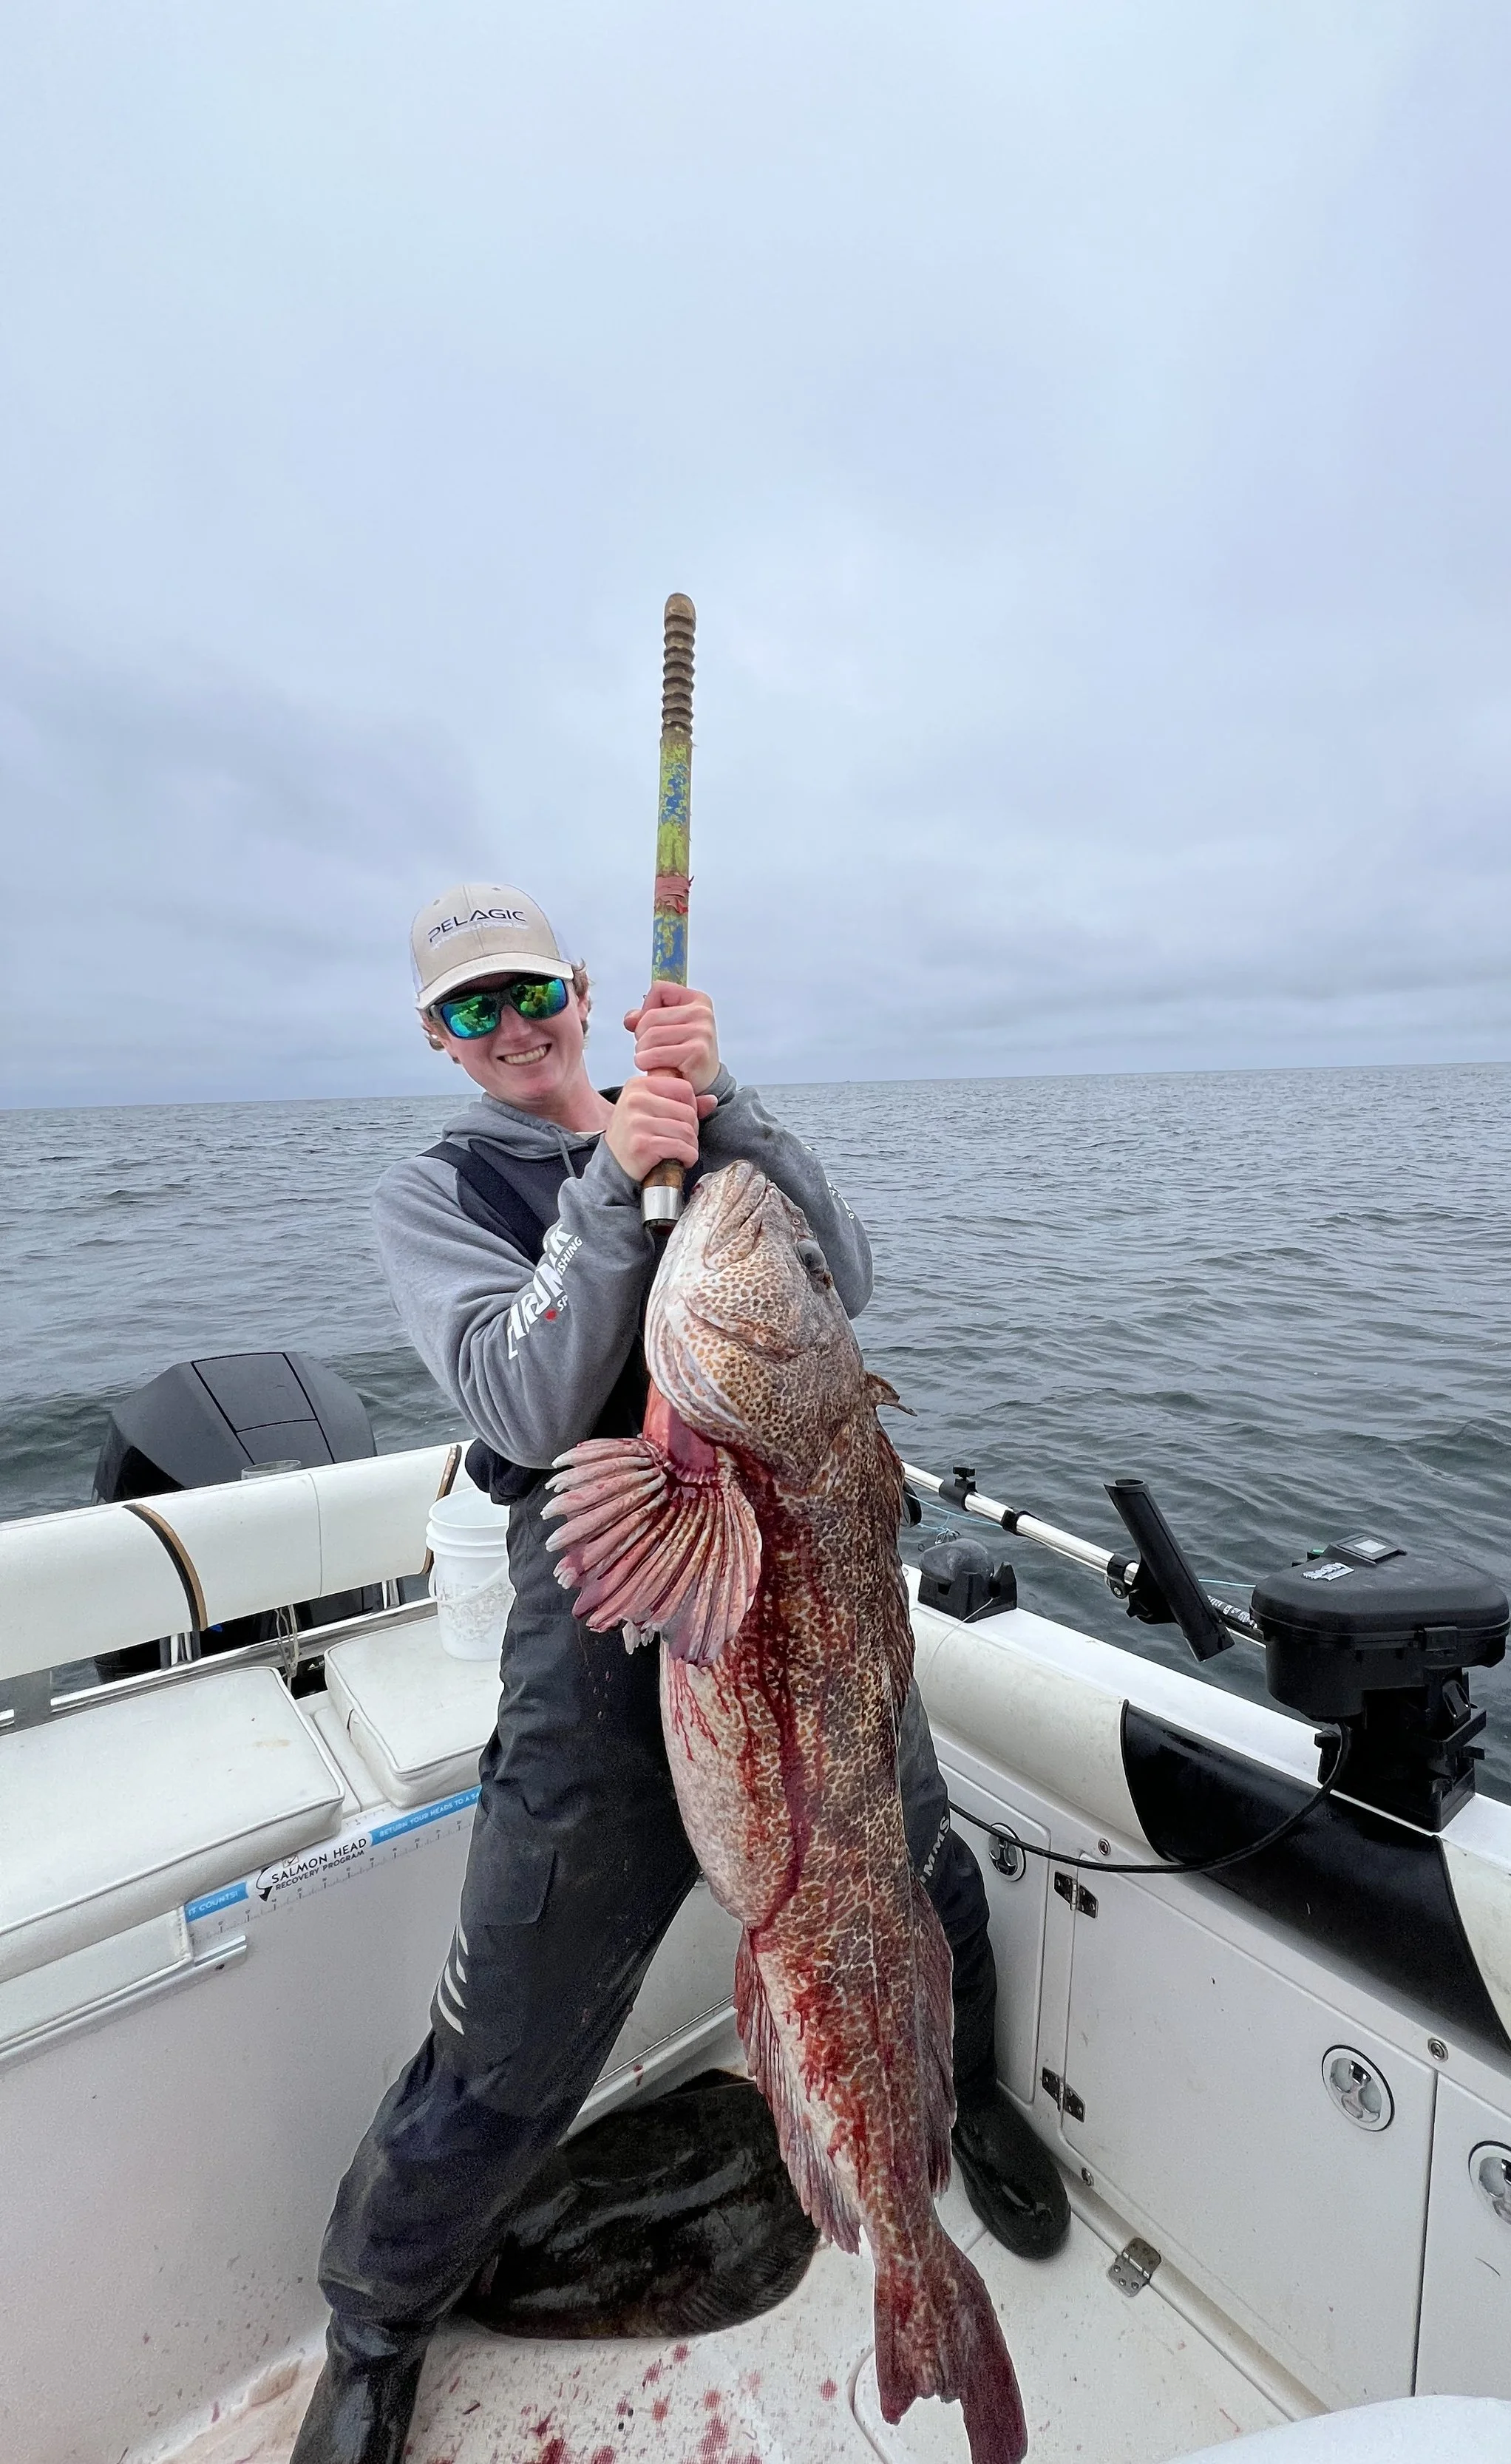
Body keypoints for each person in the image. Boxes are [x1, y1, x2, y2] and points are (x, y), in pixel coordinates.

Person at [293, 882, 1067, 2464]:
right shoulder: (435, 1194)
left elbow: (839, 1269)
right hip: (596, 1642)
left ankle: (942, 2110)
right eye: (470, 1009)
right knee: (515, 2017)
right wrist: (611, 1175)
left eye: (530, 992)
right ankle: (378, 2321)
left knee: (912, 1881)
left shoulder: (707, 1137)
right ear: (435, 1039)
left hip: (813, 1605)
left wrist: (725, 1105)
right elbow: (520, 1405)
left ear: (582, 988)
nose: (512, 1027)